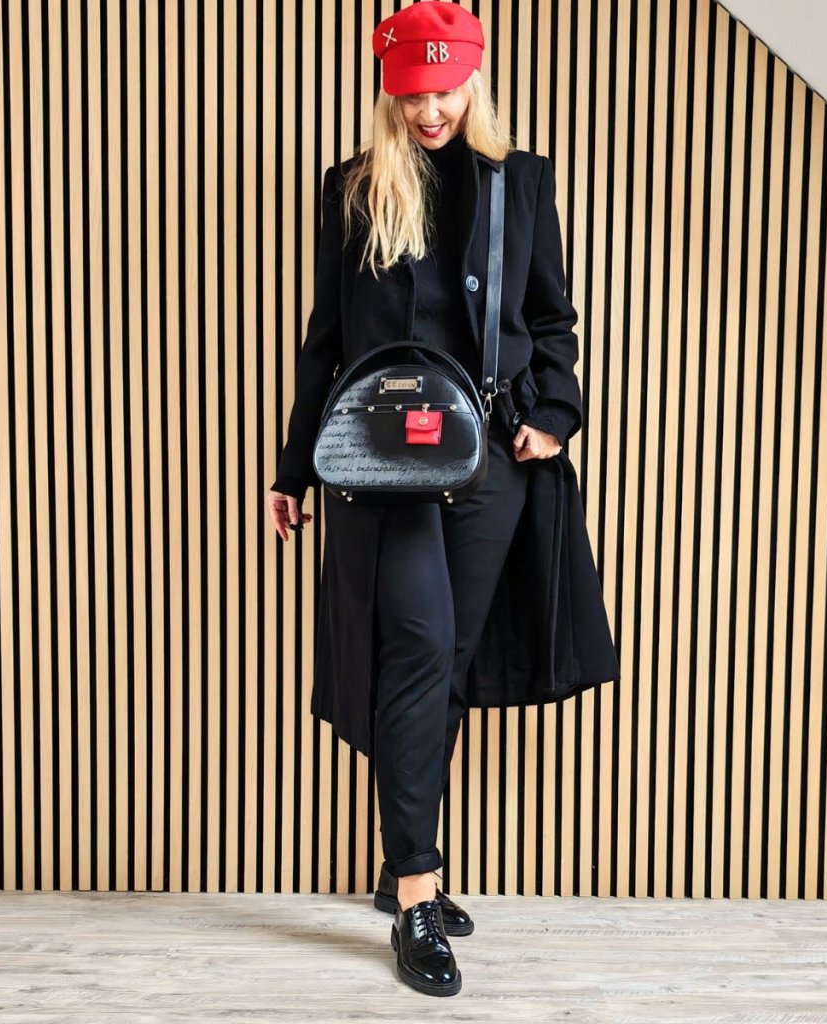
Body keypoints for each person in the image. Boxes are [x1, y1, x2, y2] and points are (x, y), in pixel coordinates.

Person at [265, 0, 608, 998]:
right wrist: (294, 466)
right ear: (389, 91)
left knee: (449, 658)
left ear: (473, 81)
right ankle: (417, 891)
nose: (429, 111)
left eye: (445, 91)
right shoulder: (355, 188)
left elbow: (551, 317)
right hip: (385, 466)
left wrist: (554, 412)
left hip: (492, 461)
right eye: (412, 94)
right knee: (416, 649)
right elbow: (327, 338)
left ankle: (399, 861)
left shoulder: (519, 183)